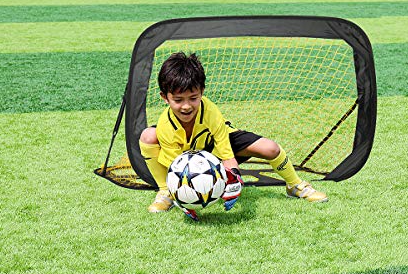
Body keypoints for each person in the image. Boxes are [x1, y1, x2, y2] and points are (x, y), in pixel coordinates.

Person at [139, 52, 328, 217]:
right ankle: (165, 193)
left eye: (193, 98)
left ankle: (294, 185)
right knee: (148, 135)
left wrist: (234, 179)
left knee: (271, 148)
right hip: (186, 157)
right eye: (178, 100)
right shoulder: (165, 126)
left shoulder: (211, 112)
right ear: (165, 97)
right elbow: (178, 169)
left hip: (215, 145)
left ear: (202, 92)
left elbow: (226, 152)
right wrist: (184, 202)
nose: (186, 106)